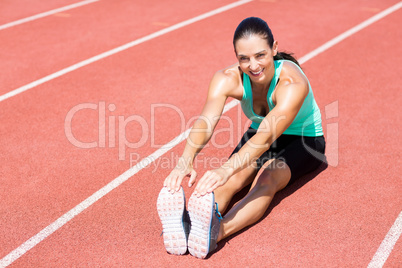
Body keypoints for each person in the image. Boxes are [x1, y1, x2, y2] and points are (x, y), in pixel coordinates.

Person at [157, 17, 326, 259]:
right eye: (244, 58)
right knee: (231, 180)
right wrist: (186, 159)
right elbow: (206, 122)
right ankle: (192, 224)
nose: (253, 66)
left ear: (274, 49)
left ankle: (215, 232)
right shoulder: (227, 78)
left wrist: (225, 168)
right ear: (236, 57)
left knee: (268, 177)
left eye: (260, 56)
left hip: (305, 140)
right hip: (261, 131)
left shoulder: (291, 83)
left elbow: (267, 138)